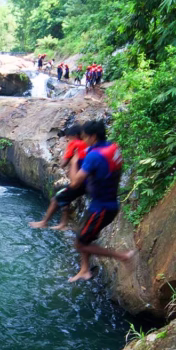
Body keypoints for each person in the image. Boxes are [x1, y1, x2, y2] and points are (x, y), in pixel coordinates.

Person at [67, 120, 135, 281]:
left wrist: (74, 162)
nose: (83, 141)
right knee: (83, 235)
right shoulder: (112, 147)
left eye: (84, 137)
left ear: (93, 136)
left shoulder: (95, 156)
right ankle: (85, 270)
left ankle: (123, 256)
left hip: (101, 208)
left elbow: (74, 183)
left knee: (80, 243)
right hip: (106, 203)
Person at [30, 125, 90, 229]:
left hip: (78, 182)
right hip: (87, 181)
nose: (67, 139)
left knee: (56, 199)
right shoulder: (87, 145)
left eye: (69, 137)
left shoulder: (75, 143)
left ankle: (44, 222)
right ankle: (63, 223)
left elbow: (65, 162)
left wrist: (56, 166)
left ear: (75, 136)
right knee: (64, 198)